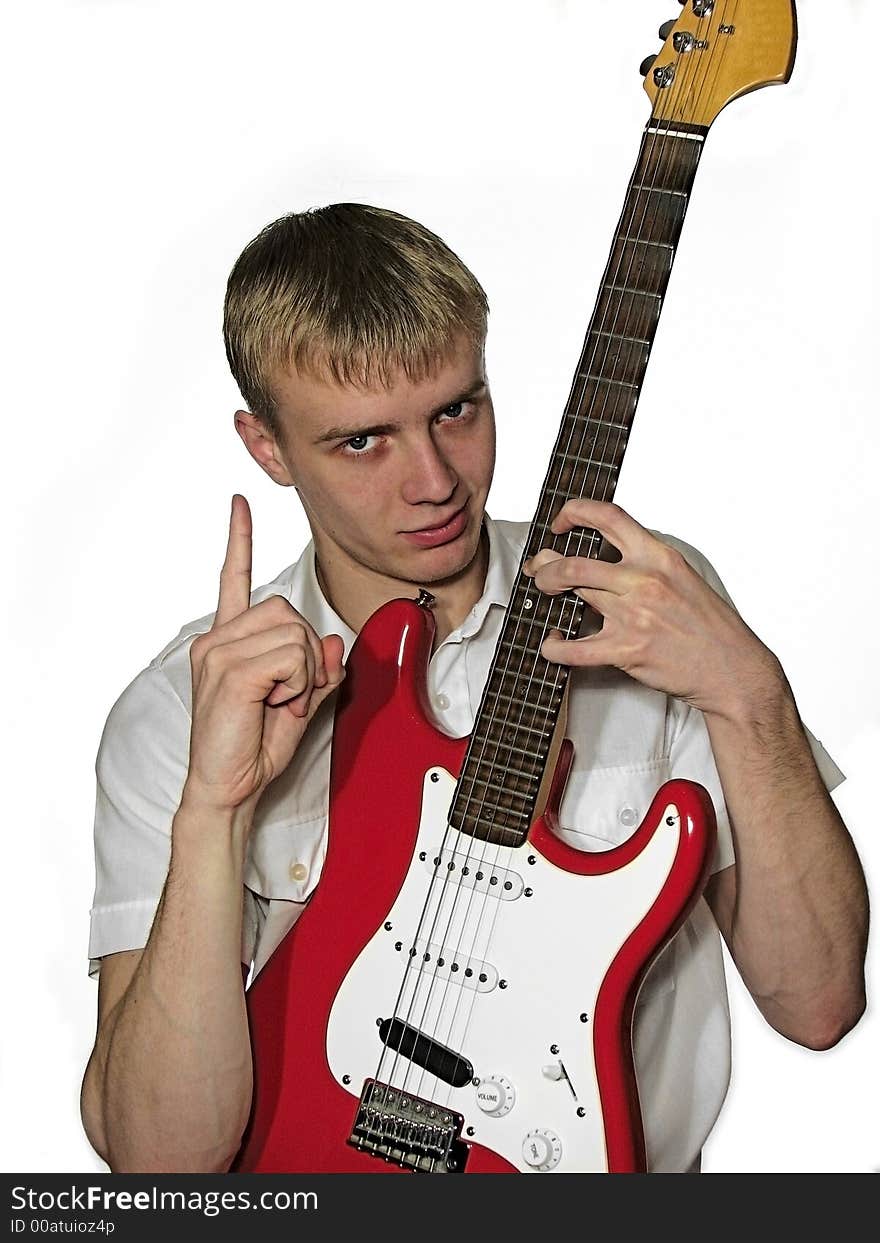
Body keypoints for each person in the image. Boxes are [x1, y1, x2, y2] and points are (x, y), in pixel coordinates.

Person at [80, 203, 868, 1174]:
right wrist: (213, 808)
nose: (434, 481)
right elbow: (158, 1165)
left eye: (456, 409)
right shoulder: (176, 715)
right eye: (363, 441)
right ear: (268, 448)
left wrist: (749, 692)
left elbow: (818, 1004)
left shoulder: (653, 613)